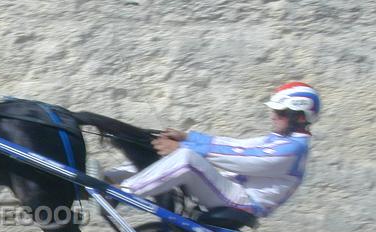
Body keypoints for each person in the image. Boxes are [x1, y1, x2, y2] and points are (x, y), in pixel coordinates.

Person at [112, 82, 320, 217]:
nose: (274, 116)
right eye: (275, 111)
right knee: (161, 152)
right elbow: (236, 145)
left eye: (281, 112)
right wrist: (189, 137)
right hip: (231, 189)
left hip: (242, 202)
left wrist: (183, 146)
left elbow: (243, 159)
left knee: (186, 159)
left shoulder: (292, 150)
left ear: (301, 117)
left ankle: (124, 192)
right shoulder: (280, 141)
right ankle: (110, 178)